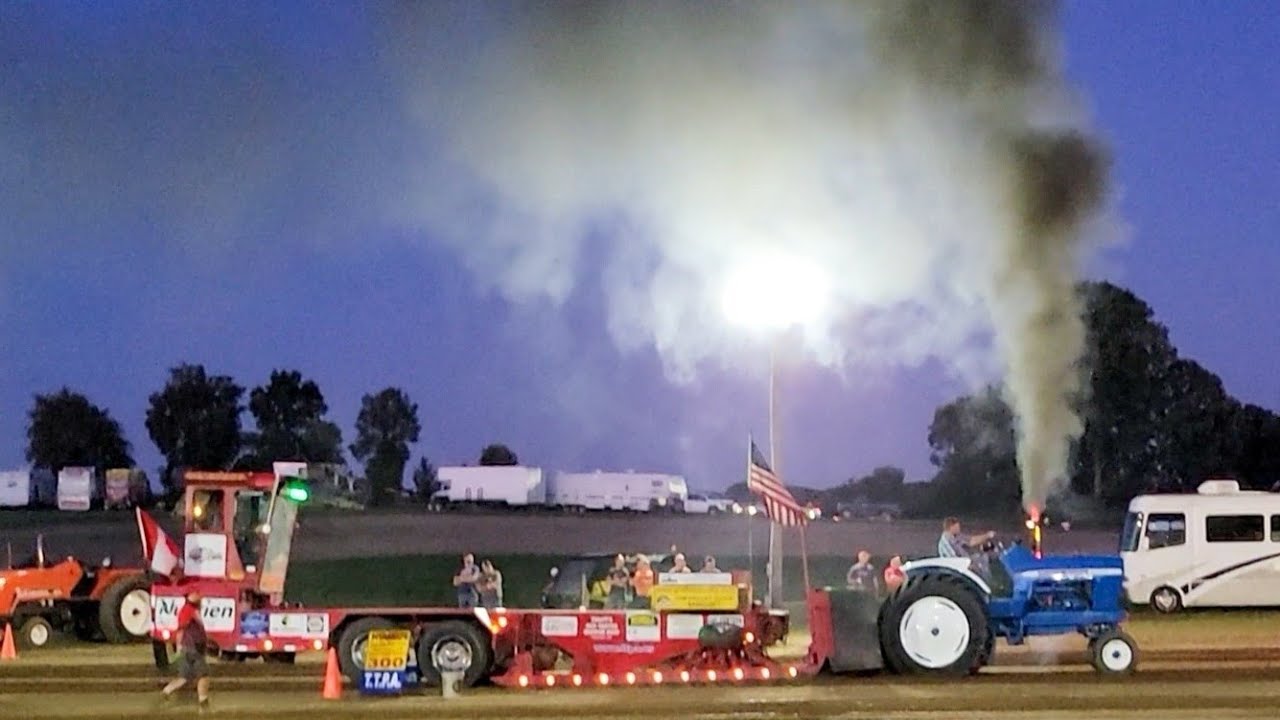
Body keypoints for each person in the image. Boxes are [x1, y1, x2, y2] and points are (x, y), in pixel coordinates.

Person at [158, 590, 211, 712]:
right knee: (203, 675)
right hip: (192, 648)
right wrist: (179, 646)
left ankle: (166, 692)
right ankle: (203, 701)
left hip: (191, 648)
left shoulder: (191, 610)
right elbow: (181, 629)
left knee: (184, 677)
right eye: (196, 594)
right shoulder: (188, 610)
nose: (199, 596)